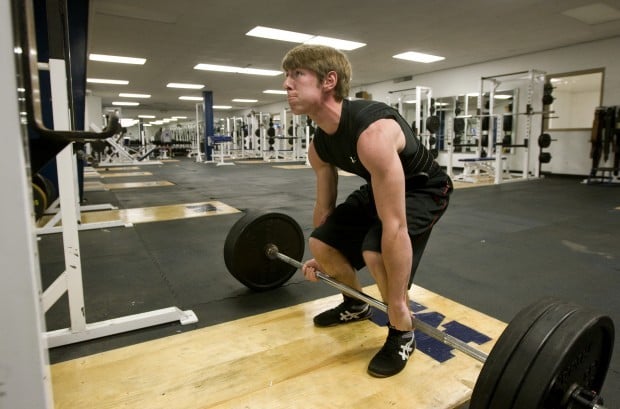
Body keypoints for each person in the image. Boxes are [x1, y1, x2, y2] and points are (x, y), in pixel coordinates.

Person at [282, 44, 453, 378]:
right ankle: (355, 304)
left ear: (329, 81)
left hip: (424, 188)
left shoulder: (372, 131)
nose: (287, 84)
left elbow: (395, 224)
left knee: (375, 252)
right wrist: (328, 258)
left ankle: (402, 331)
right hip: (381, 186)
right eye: (286, 76)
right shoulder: (319, 146)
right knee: (321, 244)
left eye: (297, 75)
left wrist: (398, 300)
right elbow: (325, 208)